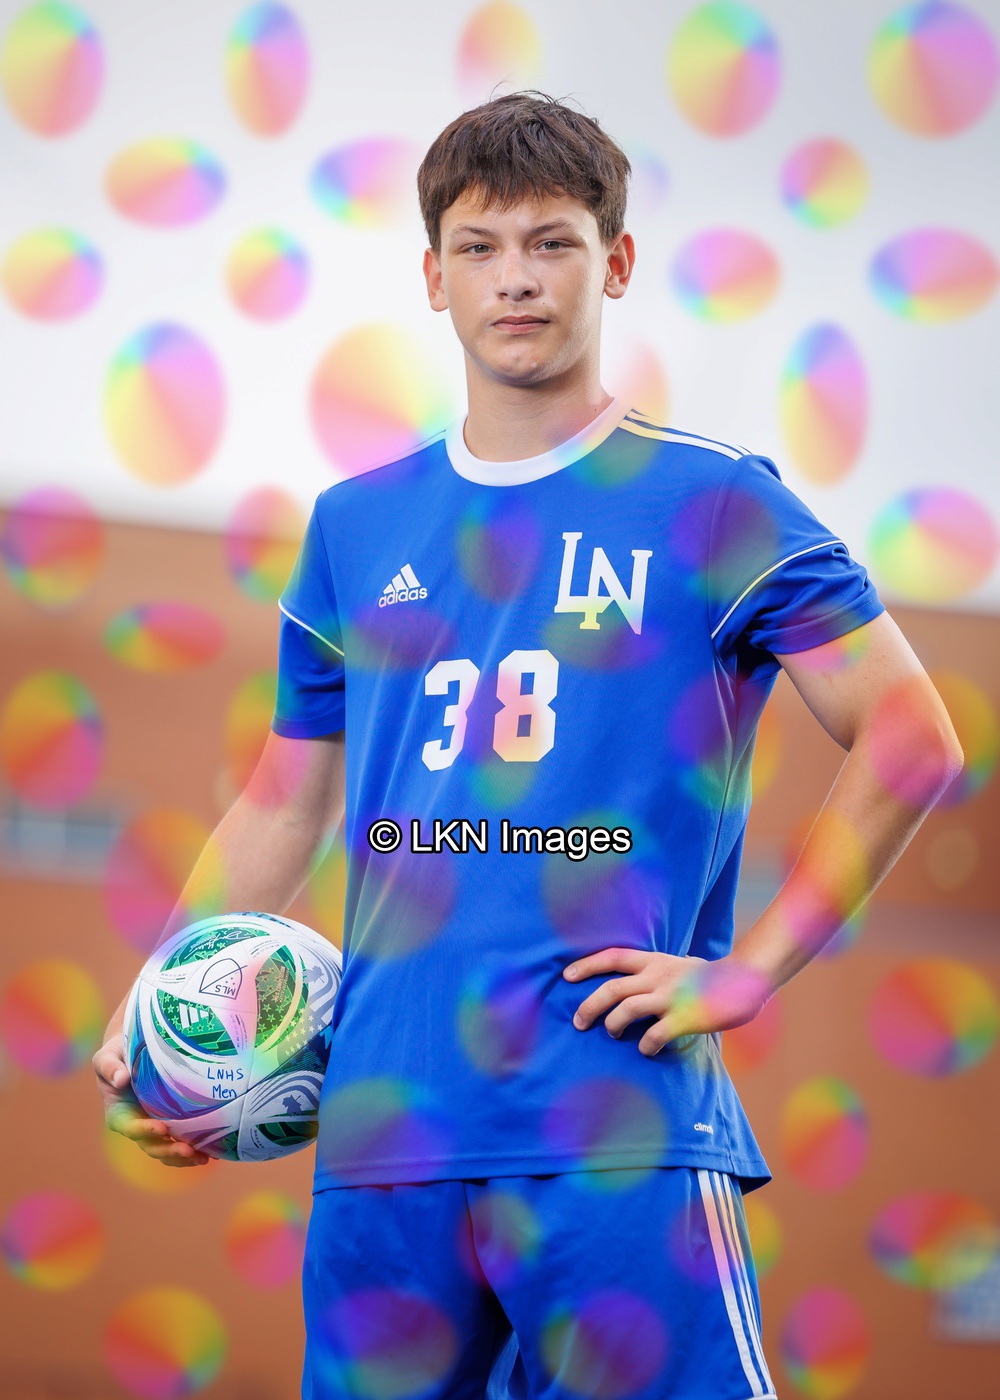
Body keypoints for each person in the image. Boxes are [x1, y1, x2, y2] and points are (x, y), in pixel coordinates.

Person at [94, 91, 964, 1399]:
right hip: (384, 1136)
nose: (516, 278)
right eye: (481, 246)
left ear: (615, 262)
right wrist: (161, 1003)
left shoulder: (714, 499)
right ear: (432, 276)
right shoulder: (354, 526)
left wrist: (752, 969)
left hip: (612, 1127)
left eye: (553, 242)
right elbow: (283, 802)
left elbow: (909, 734)